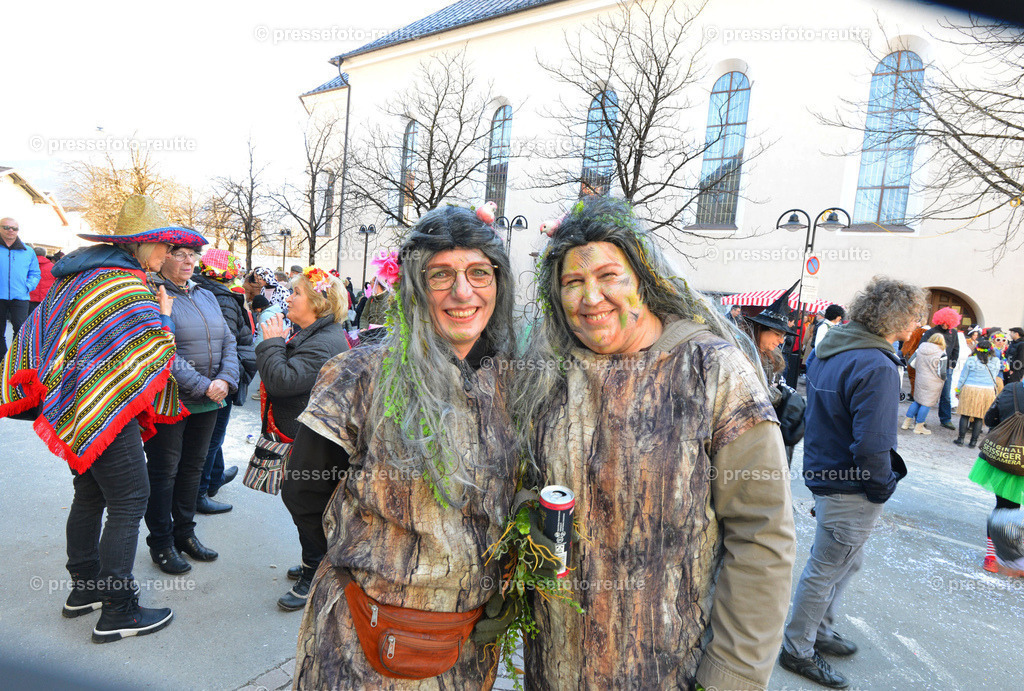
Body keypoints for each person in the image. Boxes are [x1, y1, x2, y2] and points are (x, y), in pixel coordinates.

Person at [516, 197, 795, 690]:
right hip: (555, 670)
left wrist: (731, 676)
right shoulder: (549, 373)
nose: (591, 296)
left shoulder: (712, 372)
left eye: (608, 276)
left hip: (672, 674)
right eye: (572, 282)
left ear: (643, 278)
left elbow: (761, 535)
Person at [282, 205, 517, 688]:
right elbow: (305, 489)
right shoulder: (359, 375)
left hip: (467, 643)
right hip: (363, 634)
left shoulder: (515, 382)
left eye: (479, 272)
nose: (463, 292)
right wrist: (372, 564)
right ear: (412, 285)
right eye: (440, 275)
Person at [0, 195, 203, 642]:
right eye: (164, 246)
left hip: (80, 403)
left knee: (91, 492)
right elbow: (152, 351)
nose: (169, 254)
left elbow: (42, 330)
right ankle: (119, 610)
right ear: (144, 245)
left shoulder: (83, 276)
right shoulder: (125, 284)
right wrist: (164, 319)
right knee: (131, 498)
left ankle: (84, 588)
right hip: (107, 406)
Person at [780, 277, 925, 688]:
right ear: (896, 318)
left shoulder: (834, 348)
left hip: (828, 470)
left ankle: (819, 632)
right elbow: (873, 444)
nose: (917, 324)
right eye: (914, 316)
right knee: (827, 566)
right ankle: (798, 649)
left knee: (845, 559)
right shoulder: (876, 363)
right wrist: (881, 487)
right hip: (850, 480)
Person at [255, 266, 349, 611]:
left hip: (315, 443)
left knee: (305, 503)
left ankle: (316, 571)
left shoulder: (325, 341)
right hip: (305, 436)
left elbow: (281, 381)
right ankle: (315, 560)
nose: (288, 297)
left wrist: (272, 343)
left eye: (295, 292)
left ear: (319, 303)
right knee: (303, 502)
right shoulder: (312, 333)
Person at [144, 242, 240, 574]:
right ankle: (161, 542)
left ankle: (185, 534)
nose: (189, 261)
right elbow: (160, 350)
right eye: (180, 254)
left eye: (193, 255)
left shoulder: (205, 294)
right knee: (164, 472)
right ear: (164, 256)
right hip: (171, 401)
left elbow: (228, 339)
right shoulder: (153, 294)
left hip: (210, 399)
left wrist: (225, 379)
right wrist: (203, 385)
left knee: (192, 469)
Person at [193, 249, 257, 514]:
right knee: (212, 437)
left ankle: (216, 476)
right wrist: (227, 378)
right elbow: (225, 343)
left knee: (212, 436)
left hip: (214, 377)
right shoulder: (223, 298)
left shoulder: (204, 290)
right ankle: (200, 493)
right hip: (220, 379)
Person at [745, 287, 805, 466]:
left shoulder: (773, 357)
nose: (781, 340)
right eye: (777, 334)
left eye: (783, 336)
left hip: (767, 436)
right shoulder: (742, 355)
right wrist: (778, 395)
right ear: (759, 330)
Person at [972, 379, 1024, 573]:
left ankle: (992, 558)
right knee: (1012, 512)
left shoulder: (1012, 388)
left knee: (1004, 509)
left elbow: (990, 419)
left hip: (1005, 458)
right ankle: (1015, 561)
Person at [0, 217, 41, 361]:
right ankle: (2, 360)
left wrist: (28, 286)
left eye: (14, 228)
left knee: (21, 330)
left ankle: (15, 359)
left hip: (20, 297)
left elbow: (35, 273)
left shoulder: (28, 251)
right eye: (6, 227)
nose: (11, 230)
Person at [953, 338, 1002, 448]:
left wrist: (958, 390)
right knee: (980, 417)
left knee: (965, 414)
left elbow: (963, 377)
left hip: (970, 388)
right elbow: (995, 375)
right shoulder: (996, 361)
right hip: (987, 391)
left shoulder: (971, 360)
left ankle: (960, 439)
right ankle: (973, 442)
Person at [922, 307, 962, 430]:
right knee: (927, 394)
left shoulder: (953, 333)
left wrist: (952, 365)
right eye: (943, 322)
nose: (945, 325)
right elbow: (922, 347)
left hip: (946, 368)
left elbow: (956, 349)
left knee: (946, 395)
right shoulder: (931, 332)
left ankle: (946, 419)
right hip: (932, 367)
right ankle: (920, 419)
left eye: (948, 322)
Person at [901, 333, 947, 434]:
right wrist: (944, 379)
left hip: (920, 379)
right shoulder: (941, 353)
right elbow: (942, 372)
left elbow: (911, 363)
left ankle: (906, 423)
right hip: (933, 382)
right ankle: (919, 426)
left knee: (917, 401)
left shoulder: (920, 348)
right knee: (926, 403)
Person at [28, 246, 56, 312]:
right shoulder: (52, 267)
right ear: (45, 255)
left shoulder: (27, 265)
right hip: (46, 298)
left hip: (30, 298)